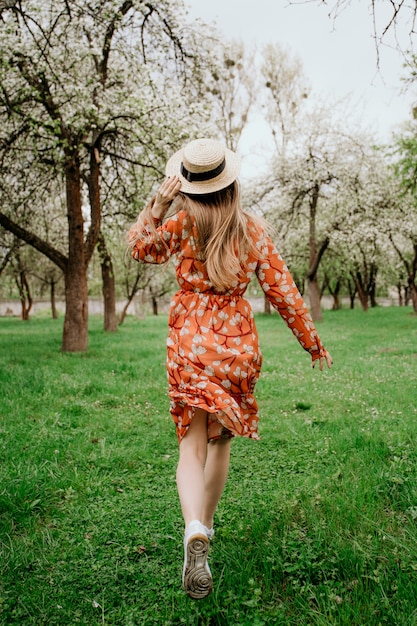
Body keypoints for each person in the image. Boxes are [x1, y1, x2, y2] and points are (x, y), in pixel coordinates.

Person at [127, 138, 332, 600]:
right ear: (230, 183)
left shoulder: (181, 223)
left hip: (189, 339)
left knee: (191, 445)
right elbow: (283, 291)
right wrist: (312, 342)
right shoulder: (253, 230)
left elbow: (142, 249)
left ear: (189, 189)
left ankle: (193, 524)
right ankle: (207, 528)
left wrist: (156, 207)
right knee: (220, 442)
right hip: (235, 344)